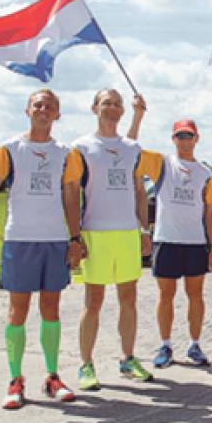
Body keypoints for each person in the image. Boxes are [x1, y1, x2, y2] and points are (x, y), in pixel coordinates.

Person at [0, 89, 83, 409]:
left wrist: (75, 239)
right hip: (20, 239)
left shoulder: (66, 153)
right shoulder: (9, 150)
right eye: (38, 104)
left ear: (57, 115)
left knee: (50, 310)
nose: (43, 109)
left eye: (50, 106)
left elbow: (70, 198)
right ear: (27, 111)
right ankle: (15, 379)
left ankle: (52, 376)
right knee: (17, 311)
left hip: (53, 240)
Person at [74, 89, 154, 390]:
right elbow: (71, 193)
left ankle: (128, 358)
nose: (112, 108)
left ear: (123, 111)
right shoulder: (81, 146)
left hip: (127, 232)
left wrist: (144, 230)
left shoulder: (132, 147)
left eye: (117, 104)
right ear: (94, 107)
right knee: (93, 301)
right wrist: (74, 236)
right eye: (106, 103)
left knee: (129, 298)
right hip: (95, 232)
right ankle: (85, 365)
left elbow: (139, 191)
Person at [143, 119, 212, 369]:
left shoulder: (205, 174)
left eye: (189, 136)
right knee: (166, 295)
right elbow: (131, 149)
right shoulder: (161, 164)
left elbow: (211, 213)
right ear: (173, 139)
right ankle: (165, 344)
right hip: (166, 240)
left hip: (195, 242)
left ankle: (195, 344)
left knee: (195, 295)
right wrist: (138, 114)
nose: (185, 140)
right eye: (180, 136)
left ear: (197, 139)